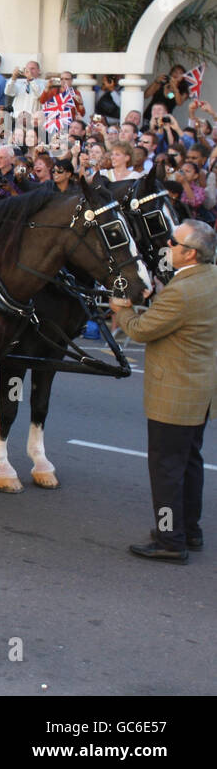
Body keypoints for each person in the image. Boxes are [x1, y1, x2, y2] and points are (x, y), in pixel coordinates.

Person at [109, 220, 217, 564]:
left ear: (190, 253)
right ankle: (190, 530)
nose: (168, 246)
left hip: (174, 394)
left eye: (174, 242)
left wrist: (121, 311)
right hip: (200, 392)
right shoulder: (208, 278)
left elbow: (141, 331)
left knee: (166, 470)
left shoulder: (182, 292)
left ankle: (169, 538)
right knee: (189, 463)